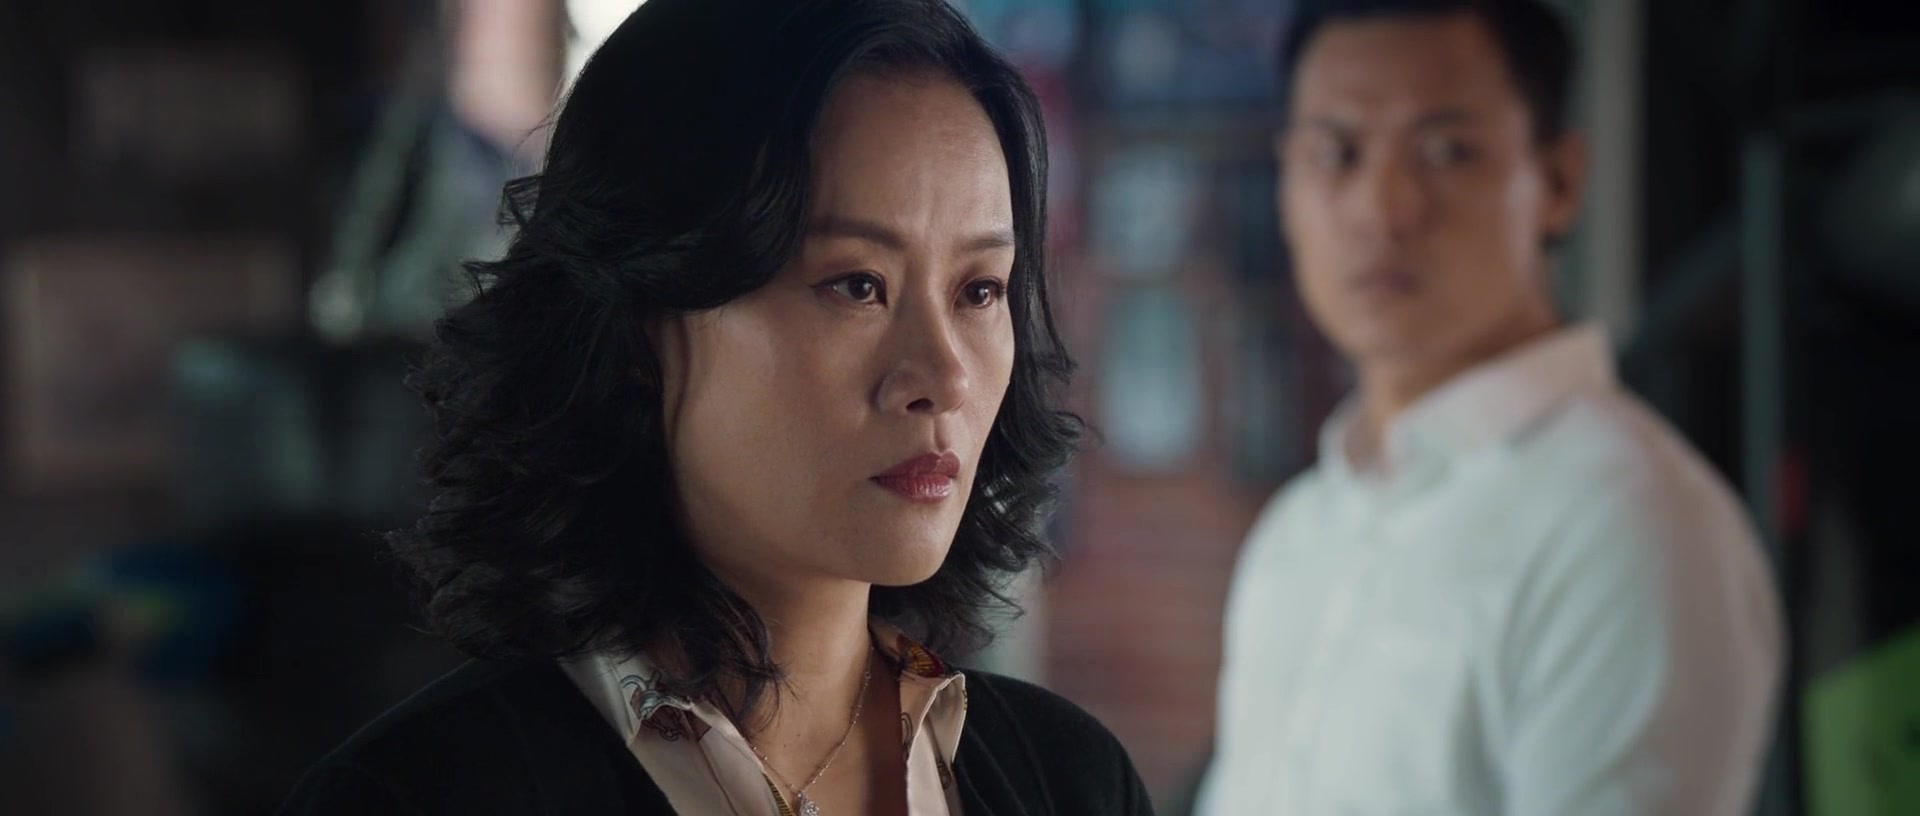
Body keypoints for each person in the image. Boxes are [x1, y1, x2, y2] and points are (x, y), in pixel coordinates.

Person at [279, 1, 1152, 814]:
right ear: (640, 322)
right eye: (857, 285)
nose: (946, 377)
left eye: (980, 290)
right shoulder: (412, 797)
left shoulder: (1070, 783)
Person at [1196, 1, 1782, 814]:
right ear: (1287, 184)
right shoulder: (1298, 532)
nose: (1383, 207)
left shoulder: (1621, 522)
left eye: (1447, 151)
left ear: (1559, 182)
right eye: (1337, 154)